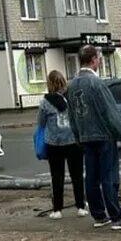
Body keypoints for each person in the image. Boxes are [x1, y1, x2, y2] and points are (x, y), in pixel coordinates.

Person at [66, 45, 121, 230]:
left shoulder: (73, 84)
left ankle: (99, 215)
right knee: (109, 176)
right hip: (103, 135)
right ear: (93, 60)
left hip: (85, 136)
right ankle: (117, 217)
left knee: (91, 177)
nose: (99, 61)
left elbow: (71, 115)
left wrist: (78, 136)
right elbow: (111, 112)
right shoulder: (96, 83)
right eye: (98, 58)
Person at [38, 70, 86, 220]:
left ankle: (57, 209)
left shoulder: (45, 102)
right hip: (73, 142)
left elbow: (41, 123)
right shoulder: (71, 98)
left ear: (50, 84)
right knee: (77, 175)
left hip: (54, 143)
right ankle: (81, 206)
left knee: (57, 176)